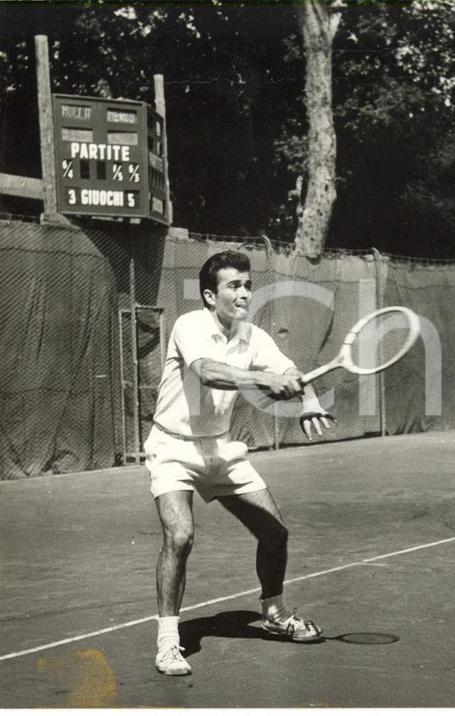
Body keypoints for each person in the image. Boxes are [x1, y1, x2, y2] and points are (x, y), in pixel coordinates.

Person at [144, 251, 336, 676]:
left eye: (248, 285)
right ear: (211, 295)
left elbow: (289, 370)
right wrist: (262, 380)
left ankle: (275, 613)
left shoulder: (253, 336)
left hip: (221, 449)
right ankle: (168, 642)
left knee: (275, 533)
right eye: (234, 285)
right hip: (173, 447)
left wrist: (308, 399)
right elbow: (209, 372)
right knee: (180, 536)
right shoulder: (190, 325)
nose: (245, 292)